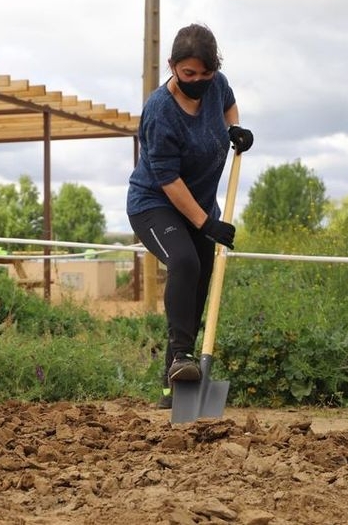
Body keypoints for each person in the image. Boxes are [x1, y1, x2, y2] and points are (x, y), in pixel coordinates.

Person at [126, 23, 253, 409]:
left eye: (205, 73)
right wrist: (206, 223)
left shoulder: (217, 85)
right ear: (172, 67)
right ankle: (181, 358)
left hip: (198, 207)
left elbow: (229, 103)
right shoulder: (159, 111)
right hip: (155, 204)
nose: (198, 81)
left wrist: (236, 128)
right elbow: (167, 178)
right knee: (184, 261)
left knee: (197, 289)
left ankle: (174, 391)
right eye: (188, 74)